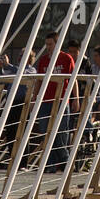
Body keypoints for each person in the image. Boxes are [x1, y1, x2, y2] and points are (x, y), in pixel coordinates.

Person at [34, 31, 80, 172]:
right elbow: (39, 81)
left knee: (61, 133)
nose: (48, 47)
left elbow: (73, 79)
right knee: (45, 132)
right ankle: (51, 165)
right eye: (46, 44)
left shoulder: (66, 59)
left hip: (61, 101)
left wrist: (76, 98)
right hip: (45, 101)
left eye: (50, 44)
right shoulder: (43, 60)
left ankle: (65, 161)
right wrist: (34, 99)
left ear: (57, 44)